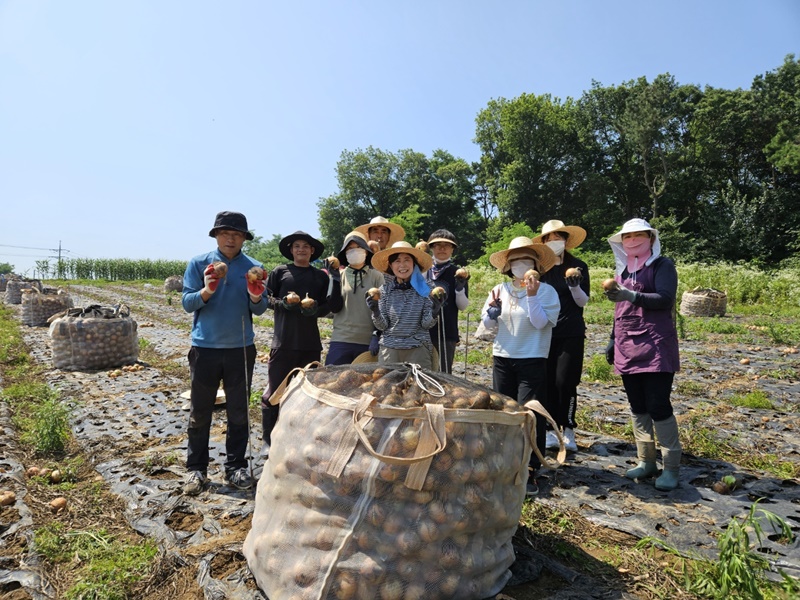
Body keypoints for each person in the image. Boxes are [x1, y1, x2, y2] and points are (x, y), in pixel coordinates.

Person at [181, 211, 268, 495]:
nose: (231, 239)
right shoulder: (199, 264)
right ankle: (196, 469)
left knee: (239, 411)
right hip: (204, 348)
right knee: (200, 411)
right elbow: (187, 303)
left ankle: (235, 467)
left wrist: (255, 295)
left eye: (237, 234)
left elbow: (260, 308)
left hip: (240, 349)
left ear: (244, 238)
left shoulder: (254, 267)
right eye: (225, 233)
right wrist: (206, 290)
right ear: (216, 236)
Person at [604, 218, 681, 492]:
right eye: (627, 236)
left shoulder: (662, 266)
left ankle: (670, 467)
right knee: (637, 405)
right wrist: (613, 339)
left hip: (655, 345)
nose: (633, 240)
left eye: (639, 235)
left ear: (651, 238)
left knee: (658, 404)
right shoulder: (623, 271)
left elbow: (665, 299)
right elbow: (620, 311)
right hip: (627, 345)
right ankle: (646, 461)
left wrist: (631, 295)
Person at [482, 237, 560, 495]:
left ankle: (530, 467)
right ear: (508, 266)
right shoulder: (499, 289)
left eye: (526, 260)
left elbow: (540, 323)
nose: (521, 265)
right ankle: (504, 463)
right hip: (503, 356)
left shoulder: (547, 292)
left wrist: (532, 296)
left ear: (535, 265)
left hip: (532, 357)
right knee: (503, 411)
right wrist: (491, 314)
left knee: (530, 413)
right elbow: (487, 325)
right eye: (515, 261)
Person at [261, 231, 335, 457]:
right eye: (297, 246)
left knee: (307, 395)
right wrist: (283, 304)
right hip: (283, 342)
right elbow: (267, 299)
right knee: (275, 392)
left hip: (310, 344)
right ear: (291, 250)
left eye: (305, 246)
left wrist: (316, 310)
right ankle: (268, 440)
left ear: (312, 251)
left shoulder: (320, 277)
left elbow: (328, 305)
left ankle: (300, 438)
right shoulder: (280, 272)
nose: (301, 249)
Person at [533, 220, 590, 453]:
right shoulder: (540, 269)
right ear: (544, 242)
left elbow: (583, 301)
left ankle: (568, 428)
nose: (554, 241)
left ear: (566, 241)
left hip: (571, 332)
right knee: (545, 381)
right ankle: (549, 429)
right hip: (545, 331)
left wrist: (575, 286)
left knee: (565, 381)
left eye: (558, 237)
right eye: (549, 238)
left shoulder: (578, 266)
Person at [367, 241, 445, 369]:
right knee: (387, 382)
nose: (402, 265)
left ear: (414, 263)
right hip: (389, 349)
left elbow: (426, 324)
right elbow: (382, 325)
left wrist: (434, 311)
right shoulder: (384, 290)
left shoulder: (426, 289)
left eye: (407, 260)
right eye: (397, 261)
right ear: (391, 266)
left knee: (419, 382)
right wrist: (375, 311)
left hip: (418, 349)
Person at [325, 231, 385, 365]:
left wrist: (376, 334)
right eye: (350, 248)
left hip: (367, 341)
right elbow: (334, 307)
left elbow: (383, 308)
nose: (355, 251)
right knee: (333, 377)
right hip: (341, 339)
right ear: (345, 253)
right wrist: (335, 279)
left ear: (366, 251)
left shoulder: (376, 276)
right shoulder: (338, 275)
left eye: (359, 247)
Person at [424, 229, 469, 373]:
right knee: (421, 372)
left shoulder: (458, 273)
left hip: (447, 332)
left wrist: (459, 289)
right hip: (423, 331)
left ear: (452, 249)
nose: (442, 248)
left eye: (447, 245)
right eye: (438, 245)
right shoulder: (423, 271)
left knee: (443, 374)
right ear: (431, 248)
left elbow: (463, 306)